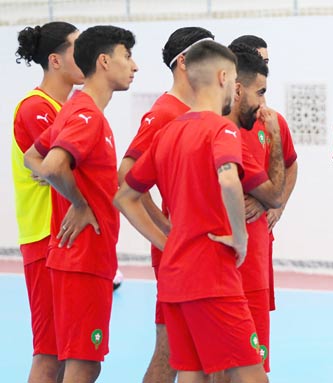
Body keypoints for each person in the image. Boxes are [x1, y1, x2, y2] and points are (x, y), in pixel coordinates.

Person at [113, 40, 268, 383]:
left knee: (192, 371)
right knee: (252, 373)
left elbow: (124, 196)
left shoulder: (168, 133)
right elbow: (229, 179)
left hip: (175, 276)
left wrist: (168, 241)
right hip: (213, 274)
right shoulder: (221, 129)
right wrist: (240, 238)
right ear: (225, 77)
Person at [23, 25, 138, 383]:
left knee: (71, 359)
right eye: (127, 56)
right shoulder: (87, 116)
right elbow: (52, 165)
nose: (134, 66)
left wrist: (74, 194)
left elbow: (32, 157)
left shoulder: (77, 108)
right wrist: (80, 203)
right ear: (104, 61)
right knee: (84, 364)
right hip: (84, 259)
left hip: (81, 259)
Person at [116, 26, 214, 383]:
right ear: (185, 62)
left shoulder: (198, 111)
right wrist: (166, 229)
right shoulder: (165, 113)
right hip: (180, 252)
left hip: (201, 248)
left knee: (199, 353)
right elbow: (127, 177)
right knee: (173, 351)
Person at [12, 21, 84, 383]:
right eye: (77, 48)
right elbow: (57, 167)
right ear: (55, 60)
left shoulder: (65, 108)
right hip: (45, 238)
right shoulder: (35, 108)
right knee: (49, 355)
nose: (85, 55)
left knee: (71, 355)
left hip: (63, 240)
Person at [220, 43, 286, 375]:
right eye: (259, 90)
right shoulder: (227, 133)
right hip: (231, 261)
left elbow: (289, 167)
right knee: (240, 367)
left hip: (254, 256)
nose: (262, 100)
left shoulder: (260, 121)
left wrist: (274, 203)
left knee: (215, 364)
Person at [230, 34, 298, 313]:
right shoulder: (216, 127)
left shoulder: (271, 121)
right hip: (221, 251)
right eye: (258, 61)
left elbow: (291, 165)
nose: (263, 67)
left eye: (266, 62)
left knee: (257, 343)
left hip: (257, 246)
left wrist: (275, 205)